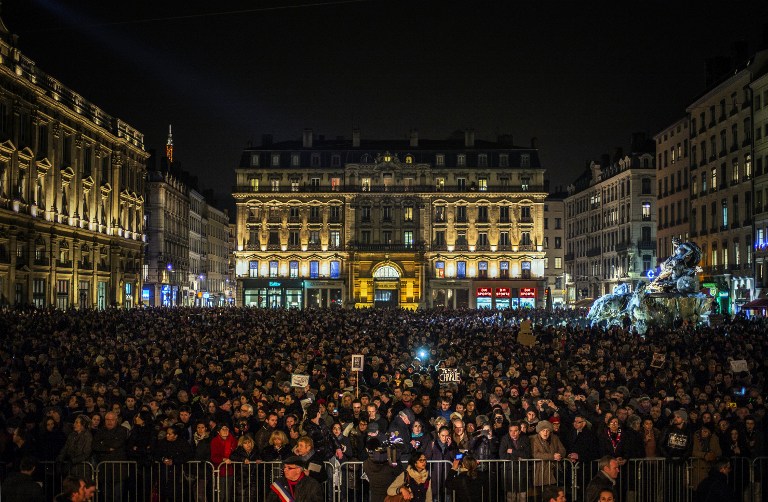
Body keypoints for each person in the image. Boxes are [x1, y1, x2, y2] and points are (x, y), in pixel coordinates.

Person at [499, 421, 531, 502]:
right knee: (511, 497)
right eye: (511, 431)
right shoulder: (505, 439)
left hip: (522, 471)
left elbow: (527, 454)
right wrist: (518, 457)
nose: (513, 433)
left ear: (520, 431)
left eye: (515, 431)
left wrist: (513, 451)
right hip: (509, 471)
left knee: (522, 497)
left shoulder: (525, 438)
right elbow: (502, 455)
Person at [362, 438, 401, 502]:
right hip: (389, 496)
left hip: (375, 497)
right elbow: (399, 471)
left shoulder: (366, 464)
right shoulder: (389, 462)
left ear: (367, 449)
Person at [531, 420, 566, 488]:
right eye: (543, 430)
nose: (545, 433)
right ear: (539, 431)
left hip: (555, 470)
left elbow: (562, 450)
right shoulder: (534, 439)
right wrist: (552, 456)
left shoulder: (555, 438)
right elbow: (535, 454)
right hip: (541, 470)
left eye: (547, 430)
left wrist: (559, 455)